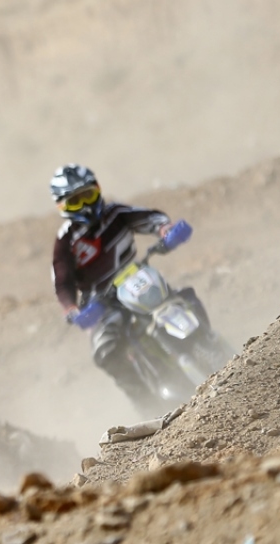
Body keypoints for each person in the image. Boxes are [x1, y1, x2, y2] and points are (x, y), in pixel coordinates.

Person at [49, 164, 182, 407]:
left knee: (180, 298)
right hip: (101, 303)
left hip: (136, 277)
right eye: (75, 202)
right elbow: (62, 281)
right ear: (62, 207)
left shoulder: (116, 213)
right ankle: (148, 405)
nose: (85, 205)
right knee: (105, 352)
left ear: (98, 190)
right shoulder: (65, 241)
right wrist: (70, 308)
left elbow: (149, 218)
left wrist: (165, 229)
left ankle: (208, 340)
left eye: (88, 195)